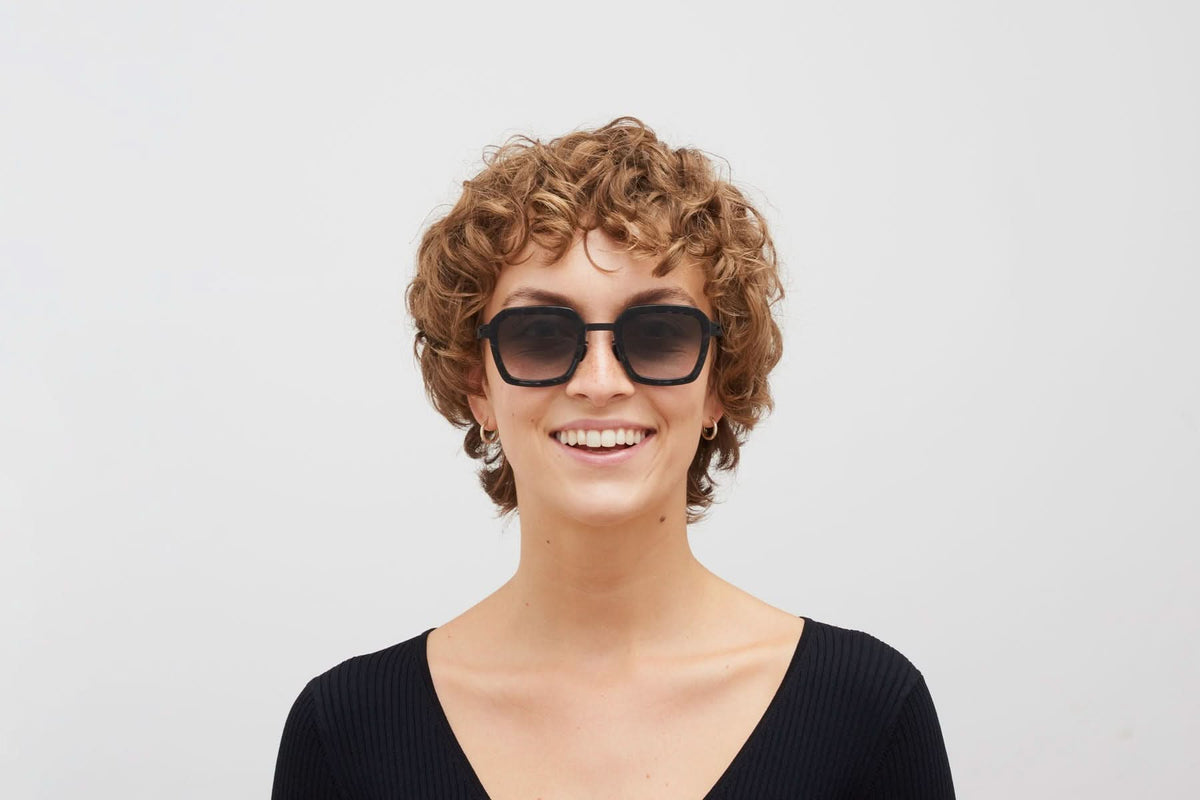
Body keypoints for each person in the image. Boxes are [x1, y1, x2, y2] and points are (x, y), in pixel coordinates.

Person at [271, 117, 956, 799]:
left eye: (659, 333)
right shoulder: (346, 733)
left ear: (719, 382)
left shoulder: (868, 715)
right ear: (478, 385)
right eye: (539, 334)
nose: (600, 383)